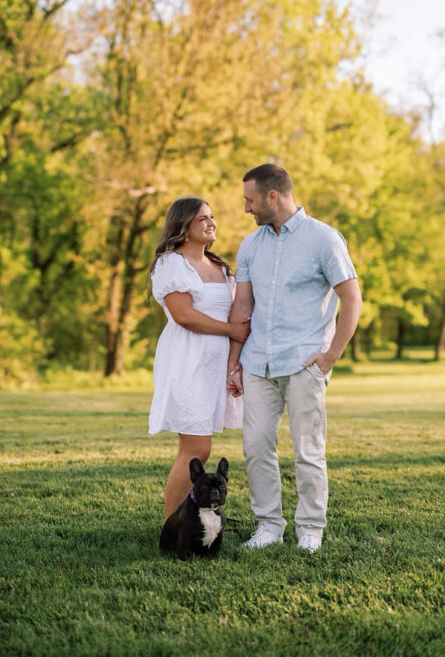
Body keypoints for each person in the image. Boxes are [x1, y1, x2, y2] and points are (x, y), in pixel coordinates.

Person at [227, 163, 362, 554]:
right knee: (255, 447)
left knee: (308, 449)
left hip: (305, 363)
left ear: (273, 197)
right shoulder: (251, 245)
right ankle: (269, 525)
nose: (246, 208)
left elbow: (352, 299)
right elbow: (242, 308)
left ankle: (310, 529)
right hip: (257, 363)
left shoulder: (324, 239)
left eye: (250, 200)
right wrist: (234, 362)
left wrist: (330, 357)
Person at [148, 197, 249, 521]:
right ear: (183, 226)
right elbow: (184, 316)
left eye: (212, 216)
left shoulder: (220, 267)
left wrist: (236, 359)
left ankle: (192, 517)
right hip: (187, 361)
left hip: (215, 365)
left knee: (198, 446)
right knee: (196, 449)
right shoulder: (171, 264)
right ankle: (171, 524)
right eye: (202, 218)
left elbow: (237, 312)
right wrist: (231, 329)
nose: (211, 223)